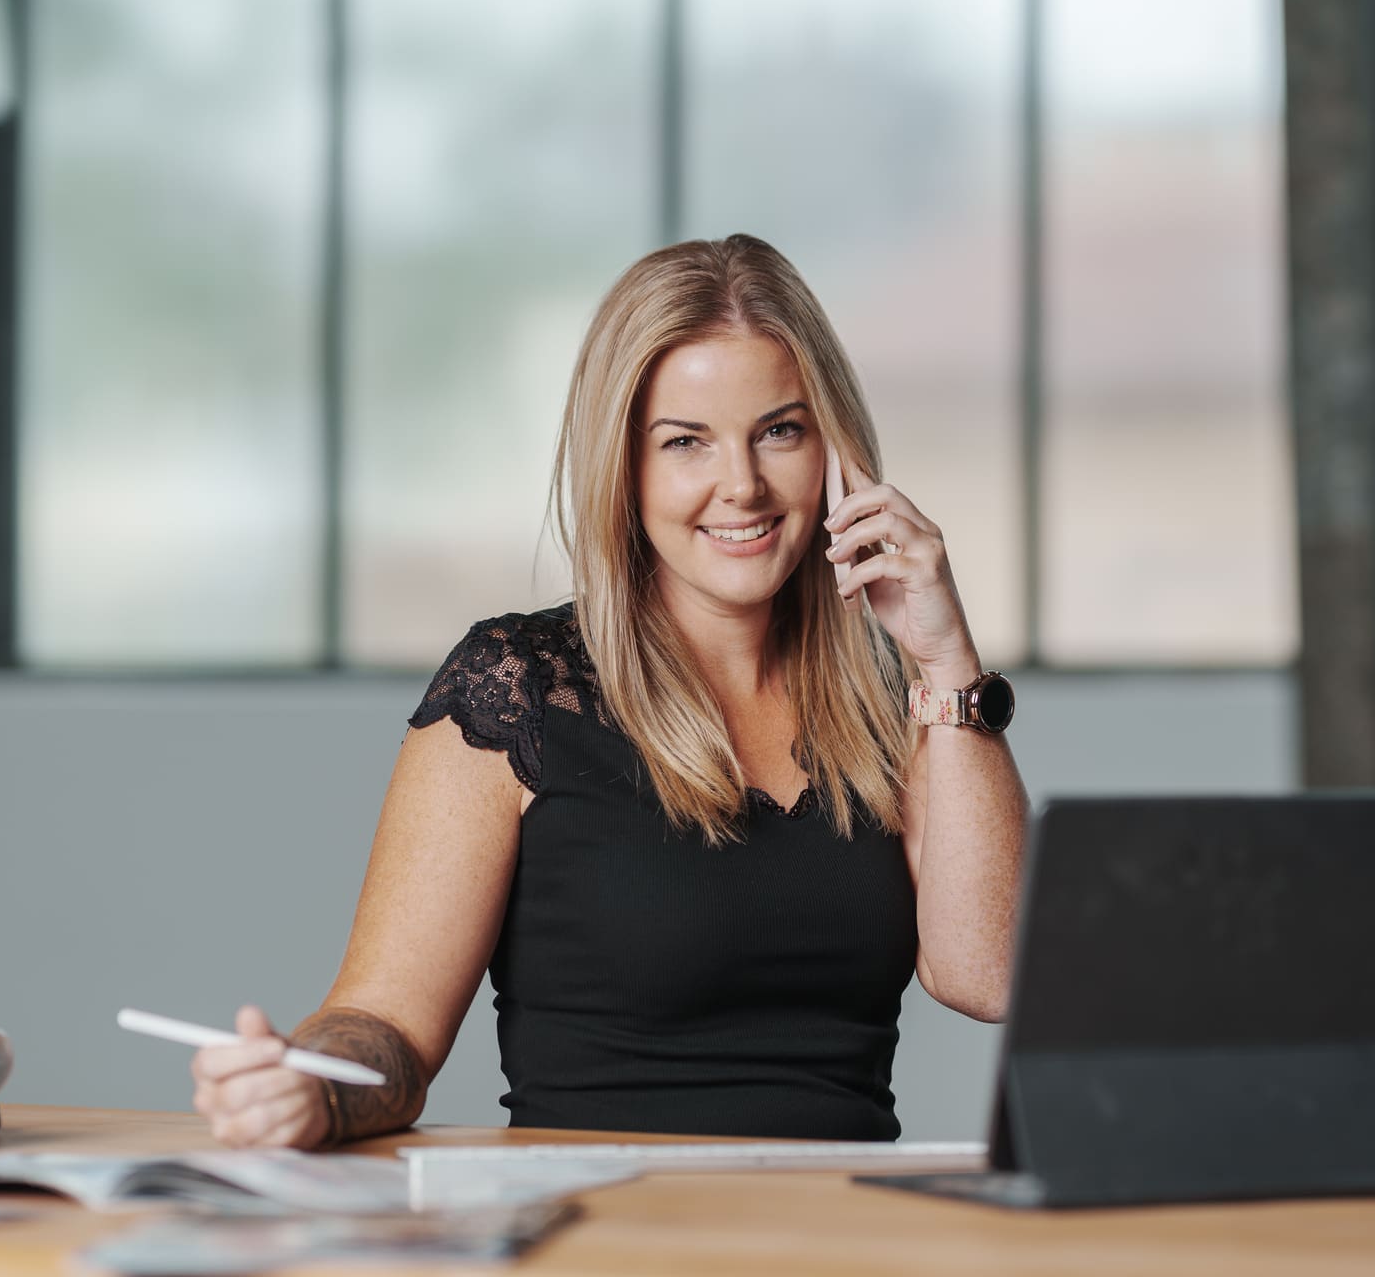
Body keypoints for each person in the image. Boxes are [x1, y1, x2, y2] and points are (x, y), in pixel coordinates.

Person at [191, 234, 1027, 1147]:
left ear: (837, 452)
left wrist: (947, 666)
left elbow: (990, 974)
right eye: (686, 443)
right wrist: (311, 1089)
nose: (741, 485)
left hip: (835, 1236)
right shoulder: (518, 687)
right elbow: (386, 1022)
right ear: (623, 469)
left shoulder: (897, 702)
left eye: (779, 431)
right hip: (604, 1233)